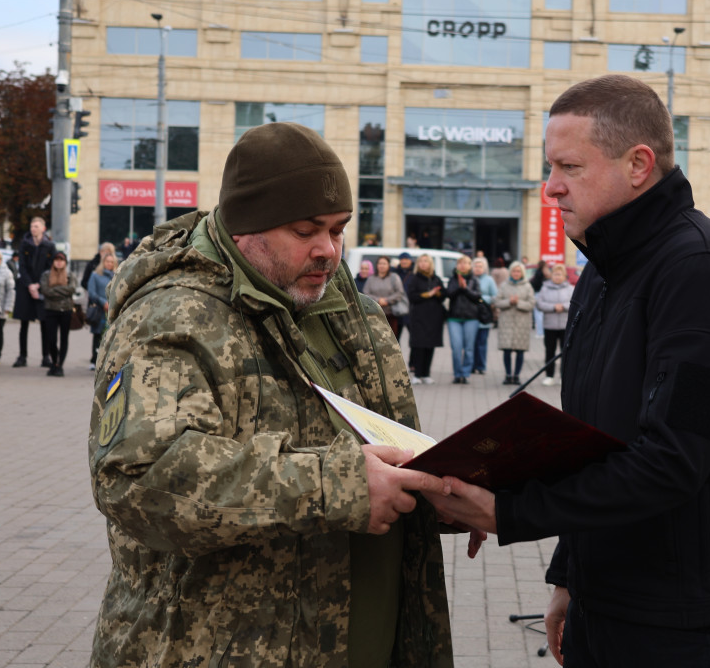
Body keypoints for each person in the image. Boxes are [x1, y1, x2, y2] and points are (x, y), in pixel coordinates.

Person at [426, 74, 710, 667]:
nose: (550, 187)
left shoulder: (704, 272)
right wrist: (569, 576)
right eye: (550, 167)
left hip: (681, 627)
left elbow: (671, 461)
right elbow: (591, 448)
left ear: (638, 164)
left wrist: (508, 512)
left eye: (569, 167)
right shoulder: (604, 272)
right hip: (601, 603)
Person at [87, 121, 455, 667]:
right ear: (246, 228)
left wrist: (430, 489)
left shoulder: (349, 310)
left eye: (339, 229)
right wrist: (339, 485)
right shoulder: (172, 316)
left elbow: (375, 446)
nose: (328, 251)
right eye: (306, 231)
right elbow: (139, 479)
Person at [12, 216, 56, 368]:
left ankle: (46, 357)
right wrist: (30, 285)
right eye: (32, 226)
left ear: (43, 228)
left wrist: (39, 285)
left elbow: (50, 268)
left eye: (36, 226)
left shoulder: (49, 246)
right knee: (24, 323)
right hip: (25, 288)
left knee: (45, 323)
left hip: (43, 287)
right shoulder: (24, 244)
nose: (33, 229)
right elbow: (22, 266)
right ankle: (22, 356)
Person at [494, 261, 535, 385]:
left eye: (518, 271)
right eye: (514, 271)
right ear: (510, 272)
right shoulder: (504, 285)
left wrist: (518, 303)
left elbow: (531, 304)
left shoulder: (527, 286)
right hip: (506, 322)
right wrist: (509, 302)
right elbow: (497, 302)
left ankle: (516, 375)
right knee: (506, 350)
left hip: (522, 323)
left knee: (520, 350)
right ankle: (508, 375)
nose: (516, 273)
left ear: (522, 273)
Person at [407, 252, 445, 384]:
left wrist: (438, 293)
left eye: (426, 261)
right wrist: (428, 294)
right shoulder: (414, 278)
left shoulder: (436, 279)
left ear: (430, 264)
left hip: (434, 317)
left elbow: (444, 296)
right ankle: (417, 374)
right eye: (421, 261)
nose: (423, 264)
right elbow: (412, 296)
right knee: (419, 345)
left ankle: (426, 374)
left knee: (430, 345)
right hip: (419, 317)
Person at [445, 254, 482, 384]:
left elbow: (478, 297)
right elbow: (448, 294)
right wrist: (459, 288)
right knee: (456, 348)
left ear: (470, 266)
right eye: (460, 263)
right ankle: (457, 374)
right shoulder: (453, 279)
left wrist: (465, 289)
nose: (463, 265)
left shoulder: (474, 280)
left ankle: (465, 374)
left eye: (465, 263)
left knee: (469, 348)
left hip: (471, 318)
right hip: (454, 318)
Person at [536, 263, 573, 386]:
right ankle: (549, 375)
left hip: (565, 326)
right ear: (551, 275)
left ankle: (564, 376)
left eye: (560, 274)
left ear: (564, 276)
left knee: (566, 353)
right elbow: (539, 304)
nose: (557, 277)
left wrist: (563, 307)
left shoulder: (570, 289)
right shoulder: (545, 288)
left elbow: (575, 303)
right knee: (549, 351)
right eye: (555, 274)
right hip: (549, 325)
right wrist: (553, 307)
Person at [40, 251, 76, 377]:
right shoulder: (46, 275)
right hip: (51, 310)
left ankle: (60, 365)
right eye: (57, 260)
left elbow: (71, 289)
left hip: (66, 310)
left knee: (64, 338)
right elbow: (45, 291)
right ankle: (54, 362)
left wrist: (54, 290)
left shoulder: (70, 275)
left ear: (65, 262)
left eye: (62, 260)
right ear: (53, 262)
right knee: (51, 339)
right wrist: (62, 292)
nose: (59, 262)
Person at [363, 255, 408, 338]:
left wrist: (387, 300)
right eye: (380, 263)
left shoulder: (394, 277)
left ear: (388, 265)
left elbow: (399, 292)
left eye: (384, 264)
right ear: (377, 265)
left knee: (391, 339)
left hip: (391, 314)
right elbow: (366, 293)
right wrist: (378, 300)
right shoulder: (371, 279)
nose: (382, 266)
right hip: (374, 314)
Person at [87, 252, 117, 370]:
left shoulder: (117, 275)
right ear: (103, 262)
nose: (109, 264)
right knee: (98, 335)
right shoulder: (95, 275)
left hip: (113, 310)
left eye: (111, 262)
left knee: (111, 336)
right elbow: (92, 292)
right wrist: (103, 302)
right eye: (107, 261)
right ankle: (94, 360)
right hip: (99, 310)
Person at [472, 256, 498, 376]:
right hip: (471, 315)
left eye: (480, 266)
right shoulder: (470, 279)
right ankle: (471, 365)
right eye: (476, 266)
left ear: (484, 268)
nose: (478, 268)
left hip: (484, 316)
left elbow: (495, 296)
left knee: (481, 343)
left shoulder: (489, 280)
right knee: (470, 343)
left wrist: (482, 298)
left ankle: (481, 366)